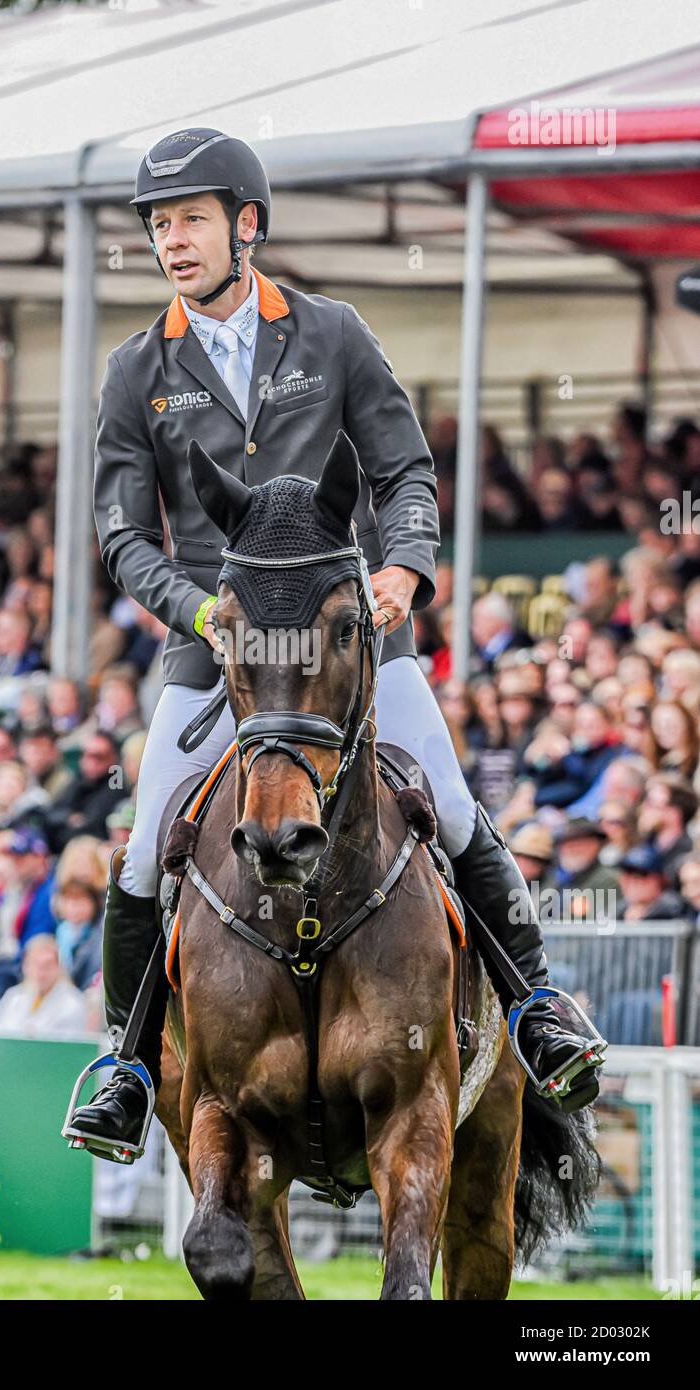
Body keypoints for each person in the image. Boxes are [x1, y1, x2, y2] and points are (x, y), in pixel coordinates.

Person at [68, 127, 604, 1158]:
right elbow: (125, 534)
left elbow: (406, 472)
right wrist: (195, 612)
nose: (169, 241)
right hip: (217, 646)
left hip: (347, 639)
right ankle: (126, 1062)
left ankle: (536, 1008)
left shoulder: (333, 334)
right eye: (156, 225)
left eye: (187, 220)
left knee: (445, 804)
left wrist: (401, 565)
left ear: (246, 226)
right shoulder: (137, 369)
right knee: (142, 851)